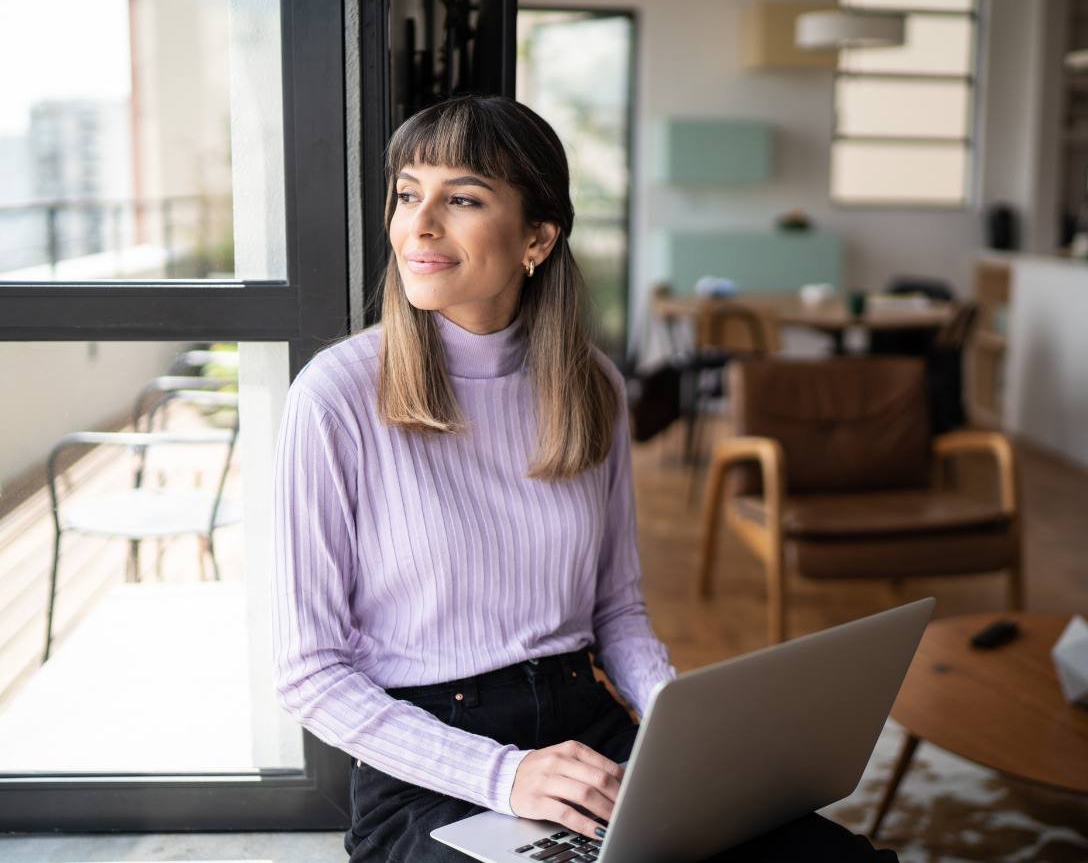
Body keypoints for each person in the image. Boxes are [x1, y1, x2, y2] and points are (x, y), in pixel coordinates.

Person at [271, 94, 896, 862]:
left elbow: (618, 609)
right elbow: (309, 672)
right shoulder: (334, 396)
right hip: (432, 760)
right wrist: (506, 775)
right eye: (407, 193)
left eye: (461, 197)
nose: (418, 225)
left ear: (538, 237)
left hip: (588, 723)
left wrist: (680, 723)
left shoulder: (589, 385)